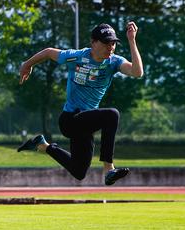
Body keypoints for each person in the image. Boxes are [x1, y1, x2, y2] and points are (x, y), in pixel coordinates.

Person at [17, 22, 143, 185]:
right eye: (106, 43)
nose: (110, 47)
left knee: (79, 171)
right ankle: (108, 169)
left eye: (113, 43)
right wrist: (26, 65)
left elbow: (137, 72)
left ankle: (42, 145)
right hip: (70, 120)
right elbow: (48, 52)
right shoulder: (76, 57)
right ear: (93, 42)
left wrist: (132, 40)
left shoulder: (114, 62)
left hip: (86, 124)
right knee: (112, 114)